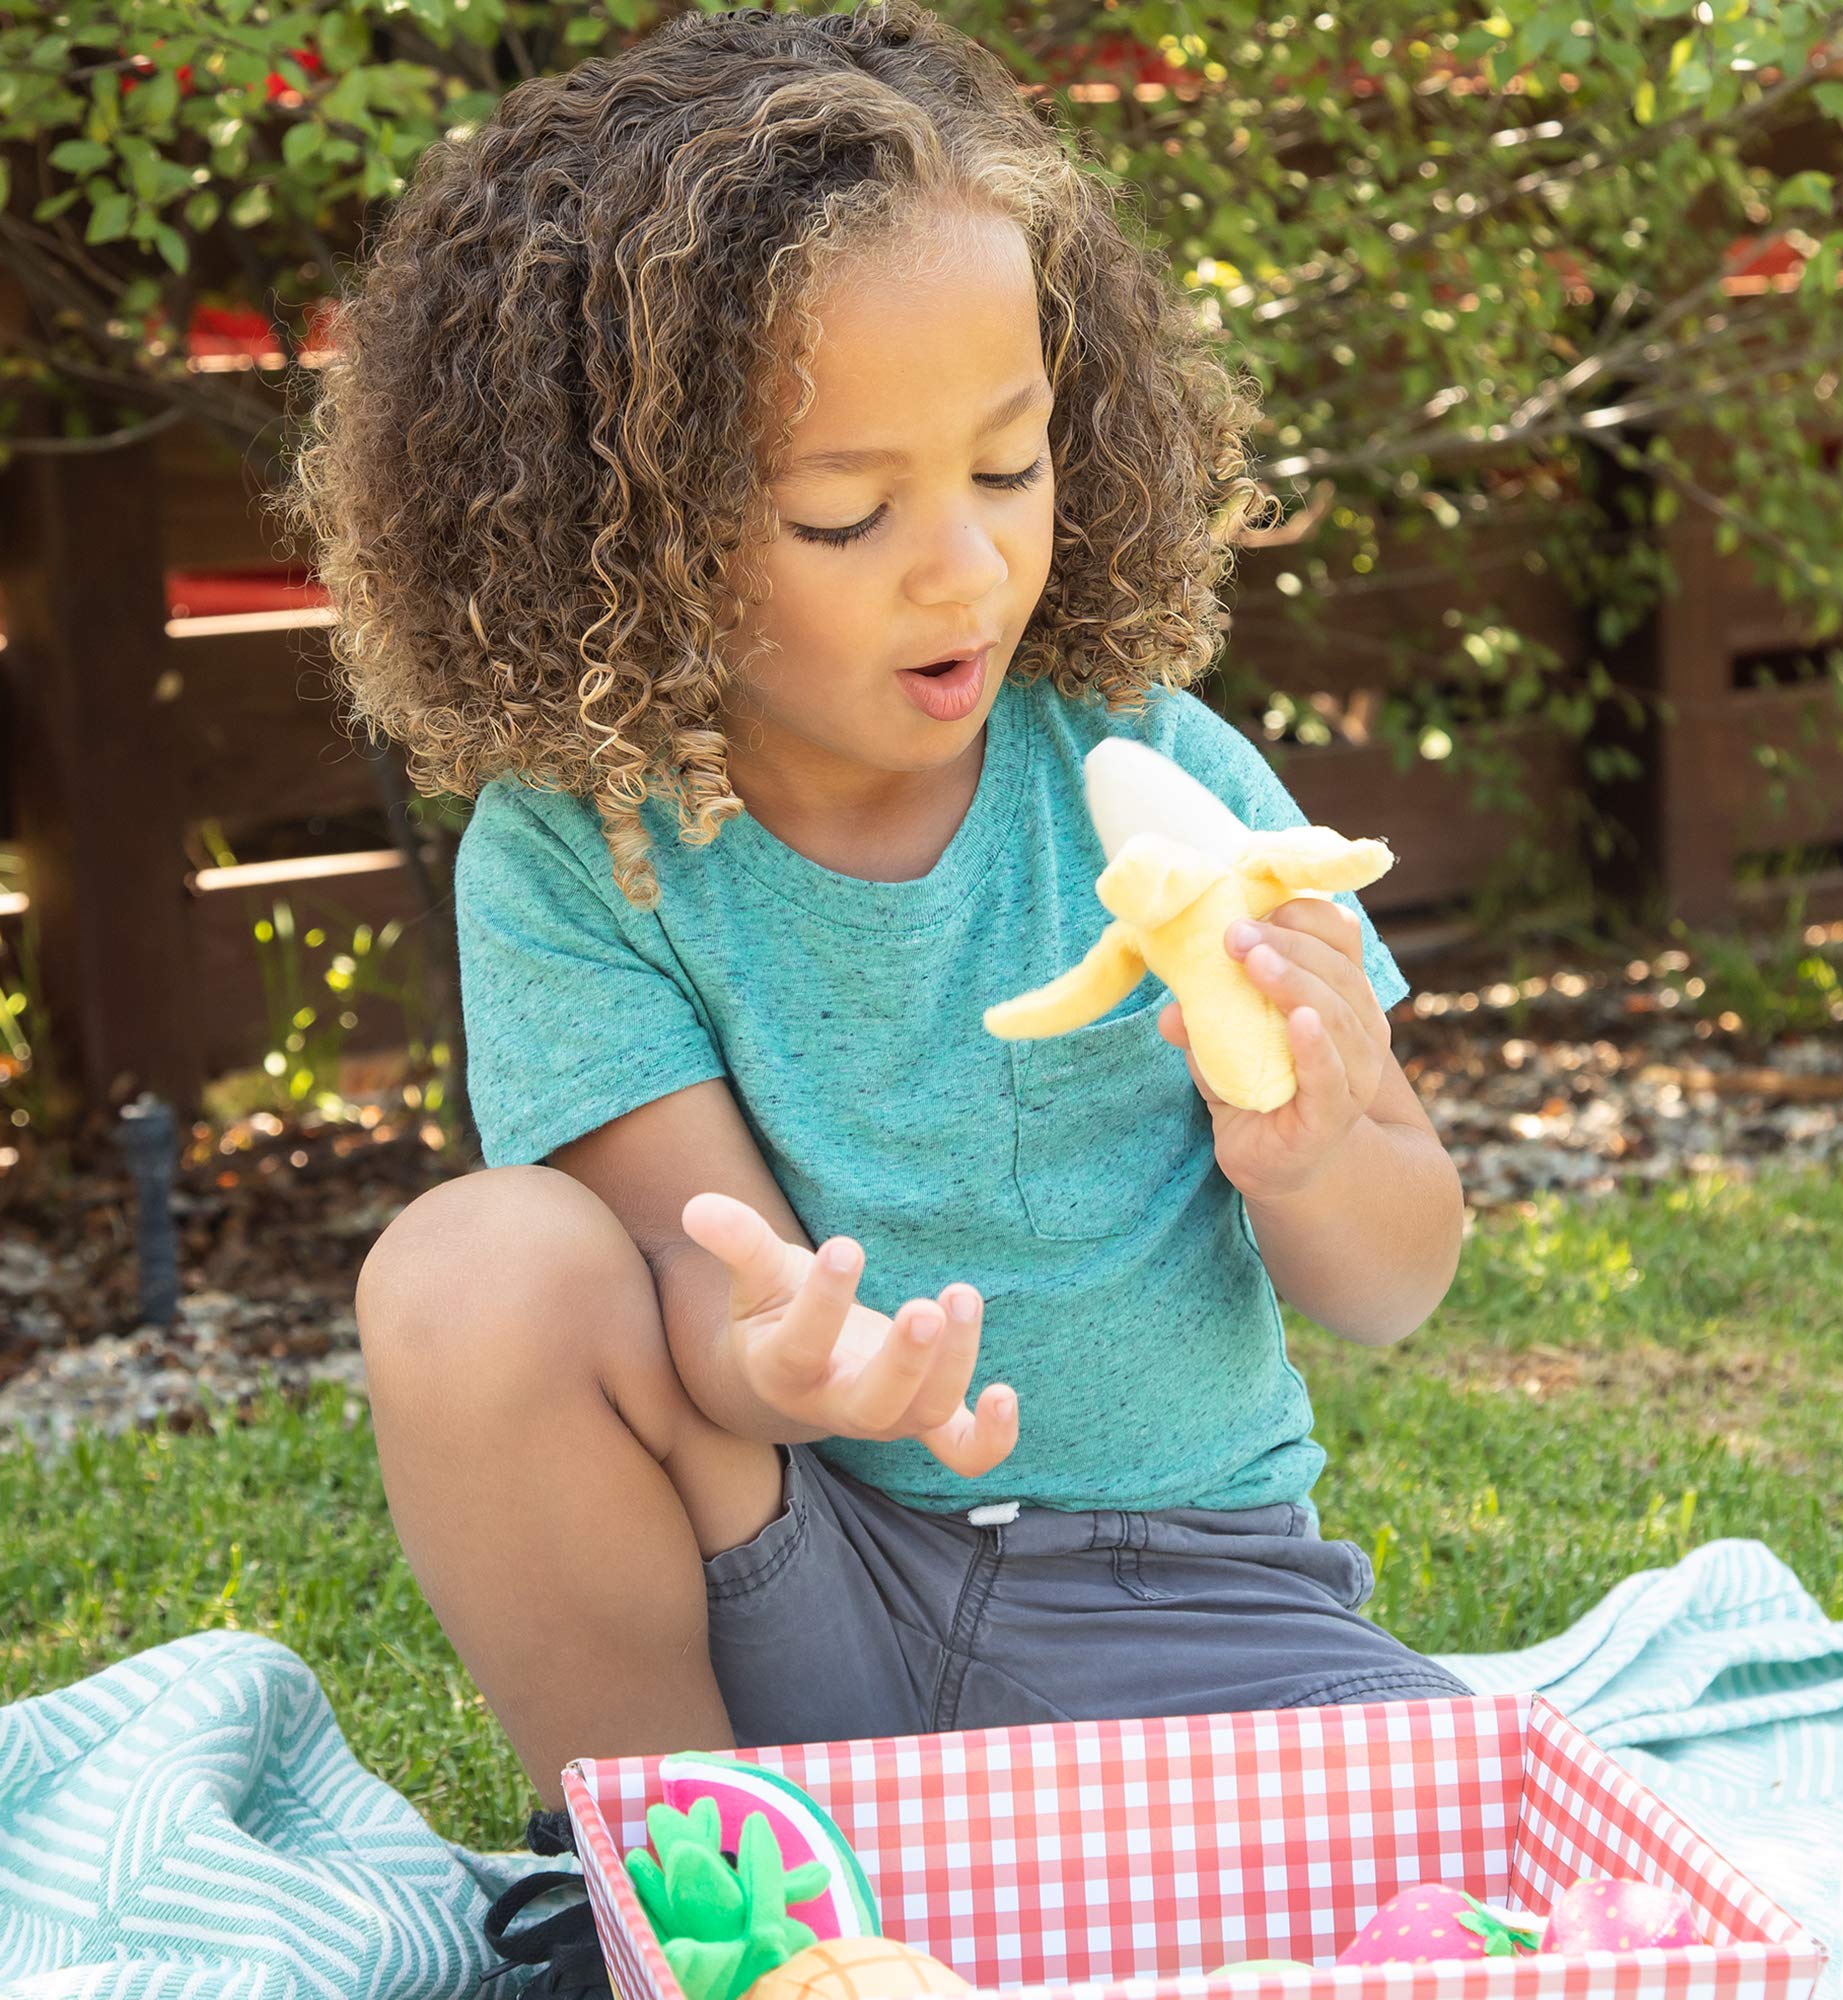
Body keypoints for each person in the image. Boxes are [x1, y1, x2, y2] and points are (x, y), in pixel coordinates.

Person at [288, 0, 1470, 1864]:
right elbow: (697, 1284)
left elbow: (1397, 1281)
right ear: (627, 531)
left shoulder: (1163, 771)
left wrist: (1313, 1151)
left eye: (1008, 469)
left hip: (1196, 1613)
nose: (966, 566)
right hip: (797, 1600)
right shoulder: (581, 858)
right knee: (470, 1270)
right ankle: (686, 1886)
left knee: (1478, 1883)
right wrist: (789, 1365)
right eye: (848, 511)